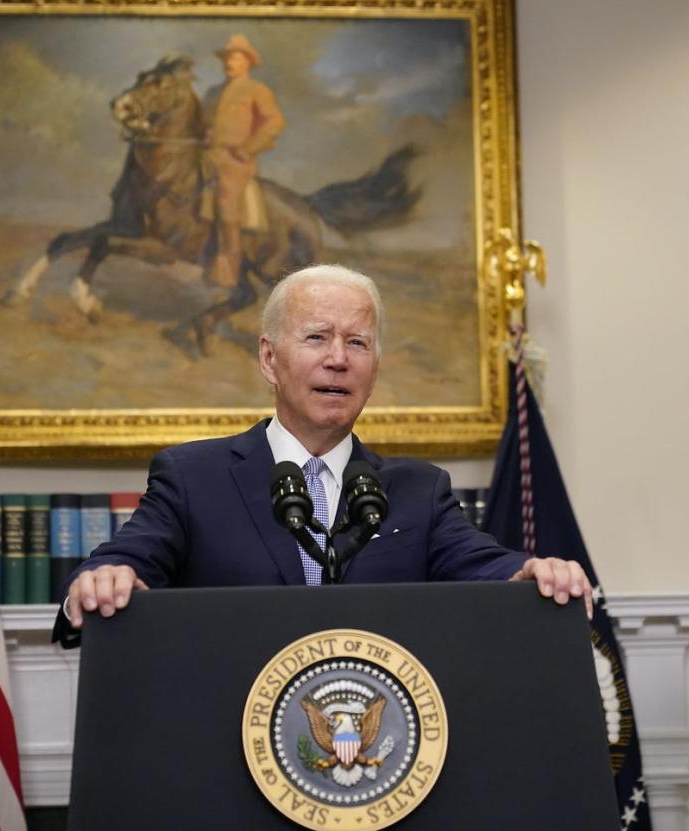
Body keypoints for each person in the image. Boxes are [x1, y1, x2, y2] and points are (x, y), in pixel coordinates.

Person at [54, 264, 591, 643]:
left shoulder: (416, 491)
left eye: (357, 343)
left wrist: (528, 574)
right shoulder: (194, 477)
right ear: (269, 359)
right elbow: (130, 558)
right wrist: (105, 577)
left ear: (374, 369)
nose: (339, 360)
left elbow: (485, 566)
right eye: (317, 337)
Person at [203, 34, 285, 292]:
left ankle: (228, 268)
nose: (230, 61)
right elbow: (203, 123)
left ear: (248, 61)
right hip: (207, 156)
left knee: (227, 203)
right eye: (228, 57)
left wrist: (249, 148)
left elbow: (274, 122)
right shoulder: (213, 92)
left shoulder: (256, 90)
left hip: (235, 162)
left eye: (236, 57)